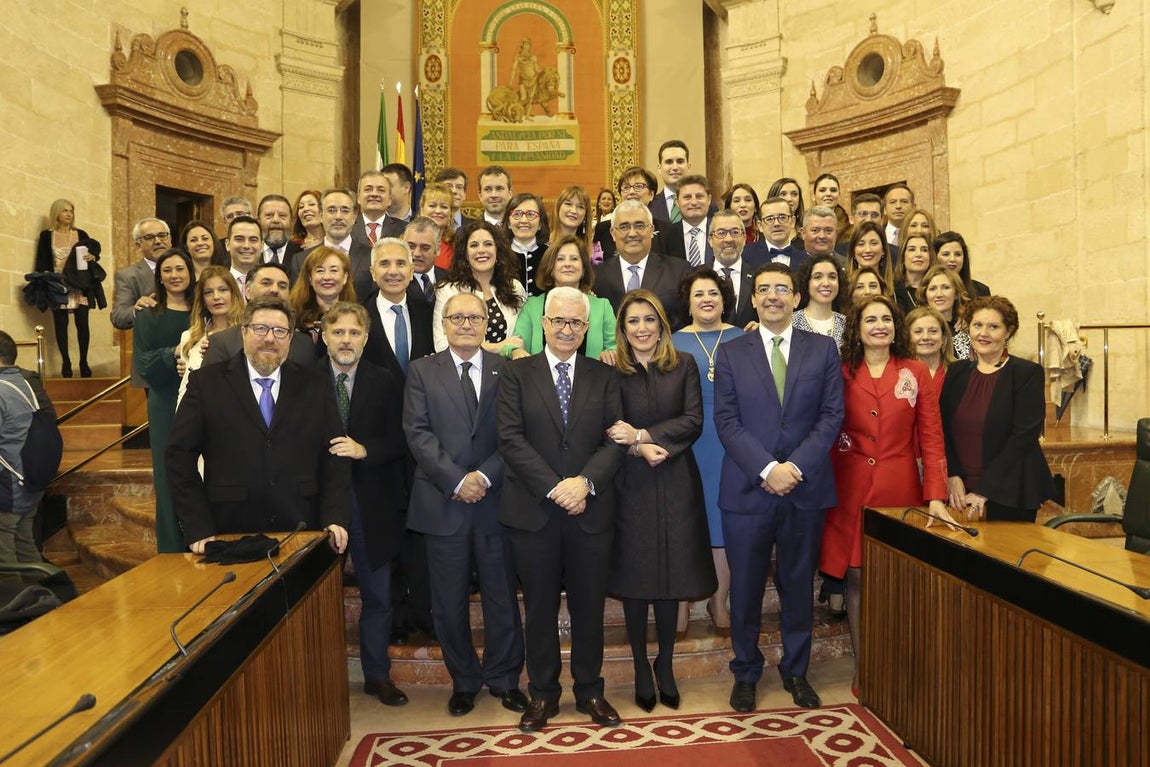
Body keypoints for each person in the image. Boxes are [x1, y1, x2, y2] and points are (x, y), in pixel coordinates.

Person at [714, 262, 844, 712]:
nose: (773, 296)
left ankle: (796, 670)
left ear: (796, 297)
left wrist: (795, 468)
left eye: (782, 289)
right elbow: (727, 422)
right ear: (752, 299)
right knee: (746, 588)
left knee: (796, 585)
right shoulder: (731, 352)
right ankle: (746, 671)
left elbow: (831, 416)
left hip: (805, 490)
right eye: (764, 289)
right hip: (748, 490)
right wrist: (768, 468)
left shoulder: (823, 349)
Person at [497, 286, 625, 733]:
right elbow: (510, 439)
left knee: (590, 607)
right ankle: (543, 695)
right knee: (539, 608)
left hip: (590, 511)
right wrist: (556, 487)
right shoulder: (515, 374)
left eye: (576, 323)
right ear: (543, 323)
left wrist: (584, 483)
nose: (567, 329)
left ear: (587, 328)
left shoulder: (605, 377)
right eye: (559, 321)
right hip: (535, 511)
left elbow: (615, 438)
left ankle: (590, 690)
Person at [820, 295, 951, 695]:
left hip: (899, 489)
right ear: (856, 328)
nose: (880, 326)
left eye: (887, 319)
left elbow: (930, 436)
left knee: (895, 582)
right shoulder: (840, 372)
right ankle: (867, 670)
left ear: (896, 328)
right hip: (849, 488)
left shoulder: (914, 372)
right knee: (857, 580)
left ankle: (899, 667)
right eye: (870, 319)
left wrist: (936, 495)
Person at [404, 292, 527, 717]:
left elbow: (514, 433)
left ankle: (504, 679)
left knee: (501, 598)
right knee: (448, 601)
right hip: (443, 502)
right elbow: (417, 433)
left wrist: (484, 477)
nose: (466, 324)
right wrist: (457, 479)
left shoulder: (506, 369)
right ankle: (465, 681)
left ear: (485, 324)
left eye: (474, 317)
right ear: (445, 323)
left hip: (495, 501)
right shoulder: (422, 370)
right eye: (457, 317)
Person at [166, 295, 351, 553]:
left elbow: (335, 456)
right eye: (260, 328)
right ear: (243, 332)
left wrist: (335, 518)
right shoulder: (206, 384)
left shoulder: (315, 385)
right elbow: (178, 458)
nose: (269, 338)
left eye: (279, 331)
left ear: (290, 339)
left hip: (303, 528)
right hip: (228, 529)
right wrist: (198, 526)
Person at [605, 290, 713, 712]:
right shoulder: (612, 369)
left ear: (663, 325)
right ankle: (637, 665)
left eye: (650, 319)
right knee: (636, 579)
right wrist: (634, 448)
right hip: (630, 481)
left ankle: (664, 663)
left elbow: (692, 420)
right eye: (633, 321)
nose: (642, 328)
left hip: (676, 477)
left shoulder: (683, 364)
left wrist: (644, 436)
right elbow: (607, 424)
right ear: (623, 328)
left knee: (671, 577)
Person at [319, 301, 410, 707]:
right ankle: (319, 677)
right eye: (338, 332)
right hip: (319, 507)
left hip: (373, 503)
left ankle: (377, 676)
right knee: (317, 600)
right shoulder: (303, 380)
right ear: (324, 336)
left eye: (354, 333)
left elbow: (403, 440)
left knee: (378, 597)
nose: (346, 340)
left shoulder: (386, 381)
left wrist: (365, 450)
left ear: (366, 338)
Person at [940, 296, 1054, 523]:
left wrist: (984, 490)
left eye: (993, 327)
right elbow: (942, 428)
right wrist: (953, 475)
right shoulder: (957, 371)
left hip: (1010, 489)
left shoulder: (1026, 373)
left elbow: (1023, 437)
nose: (984, 333)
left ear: (1008, 332)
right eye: (977, 325)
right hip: (960, 489)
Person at [672, 269, 738, 637]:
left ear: (723, 298)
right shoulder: (672, 340)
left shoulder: (744, 337)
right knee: (686, 523)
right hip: (688, 441)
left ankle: (718, 600)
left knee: (721, 523)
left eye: (712, 293)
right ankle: (682, 604)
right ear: (689, 301)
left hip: (729, 441)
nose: (706, 300)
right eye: (698, 294)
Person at [133, 248, 193, 553]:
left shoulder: (202, 308)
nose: (174, 275)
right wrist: (174, 354)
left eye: (180, 269)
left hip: (201, 400)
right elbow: (143, 363)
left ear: (190, 272)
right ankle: (171, 548)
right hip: (166, 401)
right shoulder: (148, 314)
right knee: (169, 476)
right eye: (167, 270)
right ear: (159, 276)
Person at [0, 330, 57, 566]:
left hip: (8, 487)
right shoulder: (24, 382)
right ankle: (42, 597)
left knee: (4, 557)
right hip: (29, 481)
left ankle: (17, 600)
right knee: (25, 546)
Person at [511, 235, 616, 360]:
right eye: (560, 259)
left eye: (574, 259)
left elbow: (616, 347)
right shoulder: (532, 306)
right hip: (541, 378)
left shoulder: (602, 307)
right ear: (551, 268)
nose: (567, 264)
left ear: (583, 269)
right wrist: (516, 351)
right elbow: (515, 344)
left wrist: (610, 353)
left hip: (592, 378)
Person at [432, 221, 527, 356]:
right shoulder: (448, 290)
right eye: (474, 245)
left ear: (498, 251)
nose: (481, 250)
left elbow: (520, 339)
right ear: (465, 254)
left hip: (508, 371)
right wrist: (497, 347)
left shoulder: (514, 287)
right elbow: (441, 345)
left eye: (488, 244)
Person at [200, 262, 318, 367]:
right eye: (266, 283)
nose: (275, 290)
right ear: (248, 291)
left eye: (282, 286)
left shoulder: (305, 344)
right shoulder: (221, 342)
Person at [594, 200, 689, 328]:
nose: (632, 233)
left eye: (639, 226)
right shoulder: (596, 277)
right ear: (613, 234)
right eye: (624, 227)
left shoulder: (679, 271)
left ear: (651, 230)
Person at [35, 199, 98, 377]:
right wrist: (44, 281)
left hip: (79, 285)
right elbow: (41, 261)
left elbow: (92, 255)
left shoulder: (81, 233)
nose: (69, 214)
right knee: (61, 325)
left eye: (71, 210)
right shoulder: (47, 236)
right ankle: (66, 363)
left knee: (83, 324)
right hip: (58, 285)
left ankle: (84, 362)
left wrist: (92, 258)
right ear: (56, 213)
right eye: (64, 211)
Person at [176, 266, 244, 405]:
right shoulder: (189, 337)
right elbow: (184, 388)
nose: (216, 297)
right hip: (195, 411)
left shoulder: (247, 334)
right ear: (202, 300)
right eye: (208, 292)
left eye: (223, 290)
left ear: (233, 294)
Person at [288, 246, 355, 351]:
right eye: (320, 271)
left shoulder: (356, 315)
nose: (327, 277)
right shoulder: (293, 315)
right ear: (310, 278)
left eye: (334, 270)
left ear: (345, 277)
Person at [112, 216, 171, 332]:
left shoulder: (185, 269)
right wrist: (136, 310)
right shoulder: (128, 276)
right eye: (149, 237)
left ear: (170, 240)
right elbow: (118, 316)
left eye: (162, 235)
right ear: (138, 246)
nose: (158, 241)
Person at [708, 210, 763, 330]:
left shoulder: (759, 277)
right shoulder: (696, 277)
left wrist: (763, 327)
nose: (728, 239)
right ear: (710, 240)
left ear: (744, 239)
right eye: (721, 233)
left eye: (735, 232)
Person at [593, 166, 659, 263]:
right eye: (626, 187)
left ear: (651, 195)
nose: (631, 192)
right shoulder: (603, 229)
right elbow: (597, 266)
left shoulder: (668, 232)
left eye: (639, 186)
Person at [792, 255, 846, 348]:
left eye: (832, 277)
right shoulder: (791, 322)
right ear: (806, 282)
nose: (826, 283)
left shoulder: (847, 324)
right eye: (818, 277)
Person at [918, 265, 971, 360]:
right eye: (932, 289)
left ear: (956, 294)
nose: (939, 294)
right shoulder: (916, 329)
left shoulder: (968, 328)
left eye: (945, 288)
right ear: (925, 295)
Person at [503, 193, 550, 295]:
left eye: (531, 214)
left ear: (540, 224)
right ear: (508, 223)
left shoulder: (550, 254)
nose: (524, 220)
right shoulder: (499, 255)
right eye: (517, 214)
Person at [906, 305, 955, 388]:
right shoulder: (899, 372)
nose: (926, 337)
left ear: (943, 337)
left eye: (933, 331)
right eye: (918, 332)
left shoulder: (960, 371)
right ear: (907, 337)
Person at [934, 231, 990, 298]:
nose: (952, 259)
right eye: (946, 254)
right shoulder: (927, 288)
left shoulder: (981, 290)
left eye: (958, 254)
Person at [650, 139, 692, 224]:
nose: (675, 167)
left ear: (689, 167)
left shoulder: (707, 206)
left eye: (680, 161)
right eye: (669, 162)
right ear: (659, 168)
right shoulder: (649, 205)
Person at [418, 182, 457, 270]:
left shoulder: (457, 245)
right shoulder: (407, 240)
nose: (438, 211)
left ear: (451, 213)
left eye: (444, 207)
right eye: (432, 205)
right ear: (421, 210)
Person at [893, 233, 935, 313]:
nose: (918, 254)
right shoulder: (892, 290)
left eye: (924, 250)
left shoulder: (936, 290)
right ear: (902, 257)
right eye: (912, 249)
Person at [257, 194, 301, 267]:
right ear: (258, 221)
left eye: (282, 215)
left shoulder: (303, 253)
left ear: (291, 221)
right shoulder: (249, 252)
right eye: (269, 215)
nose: (276, 220)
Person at [847, 221, 894, 289]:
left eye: (874, 243)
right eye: (861, 244)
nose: (867, 250)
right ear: (853, 251)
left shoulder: (897, 288)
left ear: (883, 250)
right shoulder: (842, 287)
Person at [549, 185, 592, 256]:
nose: (574, 211)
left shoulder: (590, 252)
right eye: (568, 204)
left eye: (580, 207)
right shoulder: (541, 245)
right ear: (558, 208)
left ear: (585, 215)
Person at [767, 177, 805, 248]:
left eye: (794, 194)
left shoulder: (806, 230)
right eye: (783, 194)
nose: (789, 199)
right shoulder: (764, 231)